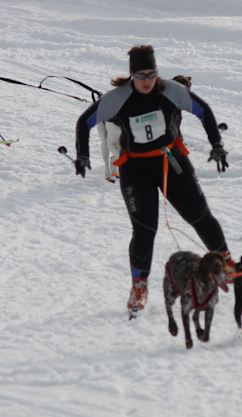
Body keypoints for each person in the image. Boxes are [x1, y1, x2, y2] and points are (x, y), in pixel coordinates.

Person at [74, 46, 232, 313]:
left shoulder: (171, 90)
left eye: (151, 74)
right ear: (132, 74)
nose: (146, 80)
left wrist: (216, 145)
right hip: (135, 170)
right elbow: (84, 122)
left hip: (172, 162)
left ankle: (227, 265)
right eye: (140, 75)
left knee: (199, 215)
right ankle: (139, 287)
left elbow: (204, 111)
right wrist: (83, 155)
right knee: (145, 231)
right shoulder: (118, 97)